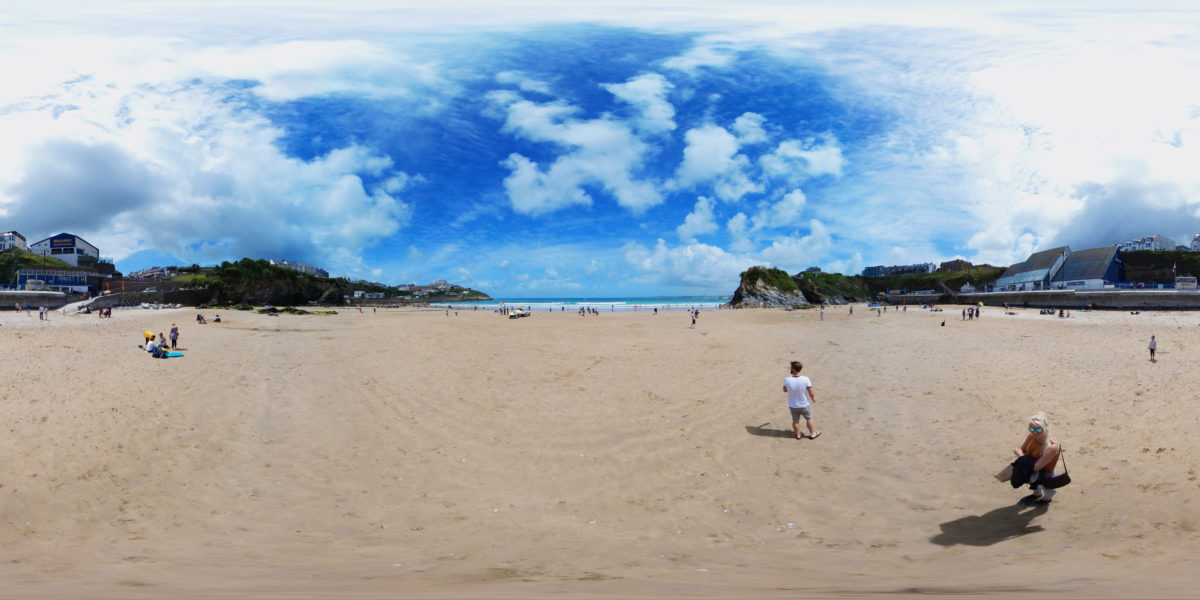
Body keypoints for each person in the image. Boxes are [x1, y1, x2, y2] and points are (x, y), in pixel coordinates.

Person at [1013, 412, 1060, 506]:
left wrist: (1021, 456)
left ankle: (1046, 499)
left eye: (1039, 429)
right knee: (1034, 483)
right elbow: (1022, 449)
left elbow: (1036, 466)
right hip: (1030, 468)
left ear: (1046, 428)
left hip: (1045, 472)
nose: (1034, 432)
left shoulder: (1052, 447)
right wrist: (1022, 456)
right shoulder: (1031, 436)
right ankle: (1036, 494)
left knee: (1046, 486)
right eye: (1031, 429)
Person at [782, 360, 820, 440]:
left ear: (793, 370)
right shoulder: (806, 379)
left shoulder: (787, 380)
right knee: (809, 419)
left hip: (793, 405)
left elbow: (785, 390)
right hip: (804, 405)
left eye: (791, 367)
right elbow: (810, 391)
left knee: (795, 421)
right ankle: (812, 434)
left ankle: (798, 435)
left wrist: (792, 389)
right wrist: (813, 399)